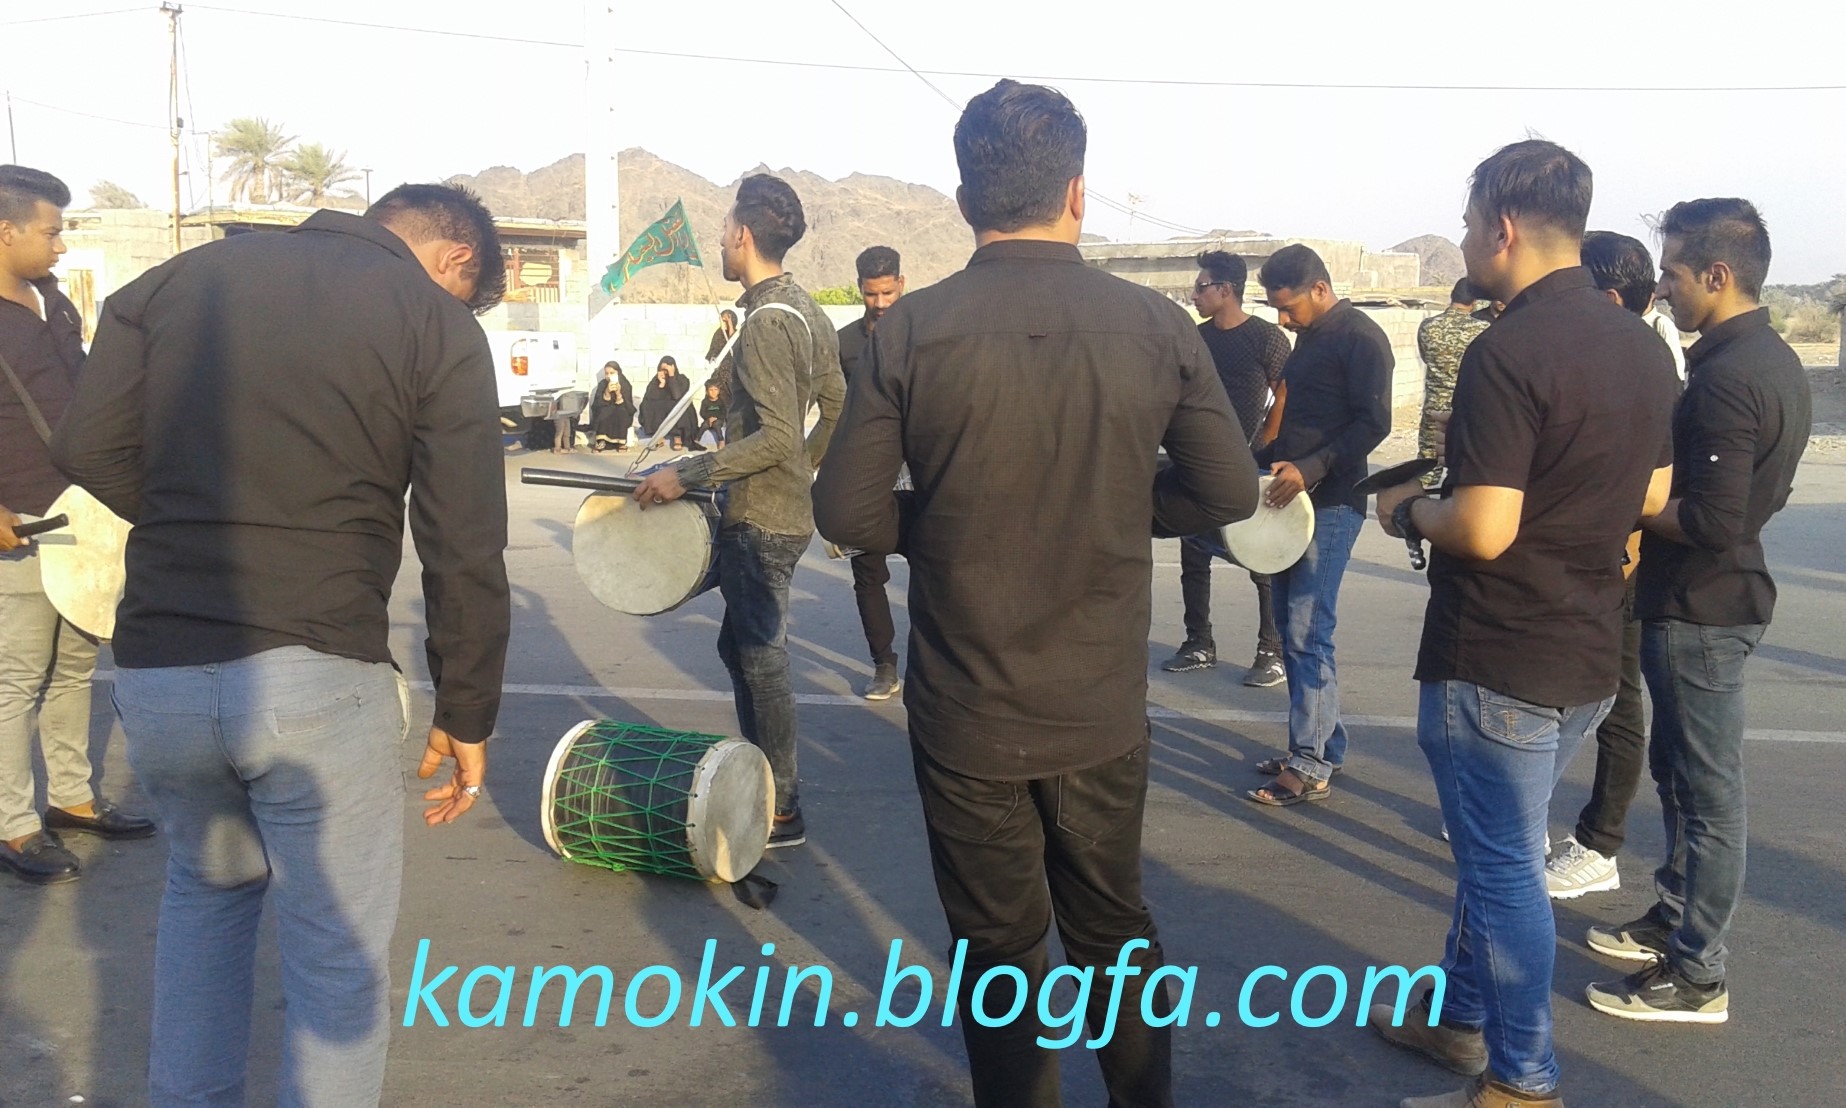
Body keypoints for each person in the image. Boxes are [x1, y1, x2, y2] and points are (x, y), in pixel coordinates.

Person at [814, 79, 1257, 1108]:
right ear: (1078, 192)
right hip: (1099, 707)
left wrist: (947, 519)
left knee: (997, 945)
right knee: (1112, 927)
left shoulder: (907, 331)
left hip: (968, 713)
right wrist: (1120, 507)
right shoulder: (1157, 325)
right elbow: (1228, 491)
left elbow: (848, 511)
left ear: (965, 199)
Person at [50, 182, 512, 1104]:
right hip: (317, 672)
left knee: (205, 900)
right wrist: (467, 709)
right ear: (456, 258)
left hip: (160, 673)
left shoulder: (173, 282)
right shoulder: (434, 323)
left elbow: (85, 447)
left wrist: (195, 521)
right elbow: (463, 541)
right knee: (336, 957)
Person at [1370, 140, 1676, 1108]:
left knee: (1503, 873)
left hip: (1499, 654)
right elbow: (1653, 495)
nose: (1464, 242)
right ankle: (1461, 1020)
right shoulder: (1639, 342)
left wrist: (1411, 509)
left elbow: (1485, 527)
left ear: (1501, 227)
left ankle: (1521, 1080)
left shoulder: (1508, 350)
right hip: (1586, 650)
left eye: (1467, 226)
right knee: (1491, 853)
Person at [1585, 198, 1811, 1025]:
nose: (1664, 289)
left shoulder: (1731, 376)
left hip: (1703, 607)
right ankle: (1675, 916)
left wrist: (1629, 506)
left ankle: (1697, 974)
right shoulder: (1761, 358)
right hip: (1705, 598)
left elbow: (1715, 518)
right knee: (1680, 776)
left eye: (1674, 273)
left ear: (1717, 275)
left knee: (1709, 797)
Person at [631, 174, 845, 850]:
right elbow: (836, 404)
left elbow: (776, 437)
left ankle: (779, 806)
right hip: (776, 508)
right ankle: (766, 785)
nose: (721, 241)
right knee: (740, 646)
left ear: (743, 236)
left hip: (760, 515)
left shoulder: (766, 322)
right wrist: (805, 467)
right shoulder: (807, 310)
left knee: (760, 657)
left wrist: (685, 473)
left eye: (724, 230)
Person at [1, 164, 155, 886]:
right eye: (52, 231)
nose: (60, 245)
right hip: (21, 520)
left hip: (84, 512)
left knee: (73, 669)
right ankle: (13, 825)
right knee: (16, 679)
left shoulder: (54, 301)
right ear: (5, 231)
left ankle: (71, 799)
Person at [1542, 231, 1679, 900]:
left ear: (1612, 298)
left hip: (1620, 563)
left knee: (1615, 703)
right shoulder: (1618, 351)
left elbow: (1652, 493)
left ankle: (1600, 844)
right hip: (1592, 560)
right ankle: (1524, 815)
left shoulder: (1645, 362)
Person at [1244, 243, 1392, 807]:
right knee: (1292, 629)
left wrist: (1311, 468)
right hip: (1291, 501)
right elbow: (1298, 425)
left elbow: (1374, 423)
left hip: (1331, 504)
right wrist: (1258, 460)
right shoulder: (1309, 340)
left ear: (1320, 289)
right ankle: (1322, 746)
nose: (1283, 320)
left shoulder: (1361, 338)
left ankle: (1308, 764)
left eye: (1289, 307)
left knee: (1308, 631)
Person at [1161, 250, 1291, 687]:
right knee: (1194, 555)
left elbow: (1284, 392)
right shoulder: (1195, 338)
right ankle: (1198, 642)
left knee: (1261, 560)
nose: (1195, 295)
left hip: (1251, 464)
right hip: (1198, 464)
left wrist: (1266, 444)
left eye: (1201, 287)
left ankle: (1270, 652)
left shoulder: (1266, 338)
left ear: (1226, 290)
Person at [836, 245, 907, 700]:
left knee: (936, 572)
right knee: (868, 575)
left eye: (887, 293)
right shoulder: (844, 343)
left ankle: (938, 661)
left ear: (901, 283)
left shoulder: (926, 331)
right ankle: (884, 665)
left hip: (923, 472)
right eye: (870, 294)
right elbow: (834, 412)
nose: (880, 303)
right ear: (859, 289)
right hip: (866, 476)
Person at [1414, 279, 1490, 489]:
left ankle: (1418, 504)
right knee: (1465, 465)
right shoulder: (1483, 329)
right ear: (1474, 302)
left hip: (1435, 406)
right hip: (1467, 407)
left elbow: (1425, 357)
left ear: (1452, 297)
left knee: (1427, 465)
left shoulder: (1428, 326)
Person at [588, 360, 635, 452]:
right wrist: (607, 393)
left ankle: (621, 443)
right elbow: (596, 405)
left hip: (622, 409)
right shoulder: (602, 384)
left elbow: (628, 406)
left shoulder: (625, 384)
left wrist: (618, 394)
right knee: (603, 412)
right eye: (607, 373)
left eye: (612, 373)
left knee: (621, 412)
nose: (609, 376)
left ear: (618, 373)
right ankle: (601, 441)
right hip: (606, 410)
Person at [705, 307, 739, 402]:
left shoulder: (737, 334)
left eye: (725, 321)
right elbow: (713, 349)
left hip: (731, 372)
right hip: (718, 372)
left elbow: (733, 342)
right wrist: (712, 359)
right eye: (722, 320)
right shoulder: (718, 334)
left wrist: (730, 324)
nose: (723, 323)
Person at [696, 381, 725, 450]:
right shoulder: (705, 402)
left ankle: (721, 440)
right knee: (704, 425)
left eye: (715, 390)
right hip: (708, 420)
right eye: (711, 390)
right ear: (707, 392)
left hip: (718, 420)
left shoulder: (721, 401)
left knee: (716, 425)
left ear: (719, 391)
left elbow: (724, 413)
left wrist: (716, 418)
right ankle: (696, 440)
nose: (713, 392)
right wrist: (709, 418)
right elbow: (702, 412)